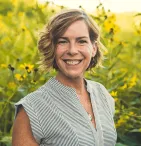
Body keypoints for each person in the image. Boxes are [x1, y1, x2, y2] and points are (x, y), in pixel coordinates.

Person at [12, 9, 117, 146]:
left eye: (81, 41)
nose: (72, 50)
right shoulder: (32, 109)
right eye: (63, 41)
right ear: (52, 48)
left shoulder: (103, 95)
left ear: (94, 48)